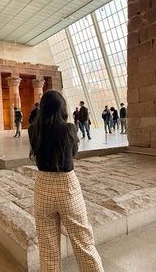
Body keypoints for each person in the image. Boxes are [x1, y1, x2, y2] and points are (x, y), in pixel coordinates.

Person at [28, 90, 104, 272]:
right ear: (62, 107)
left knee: (48, 250)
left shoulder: (33, 130)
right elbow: (73, 153)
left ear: (43, 107)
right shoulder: (69, 128)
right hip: (67, 187)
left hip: (43, 188)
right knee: (84, 242)